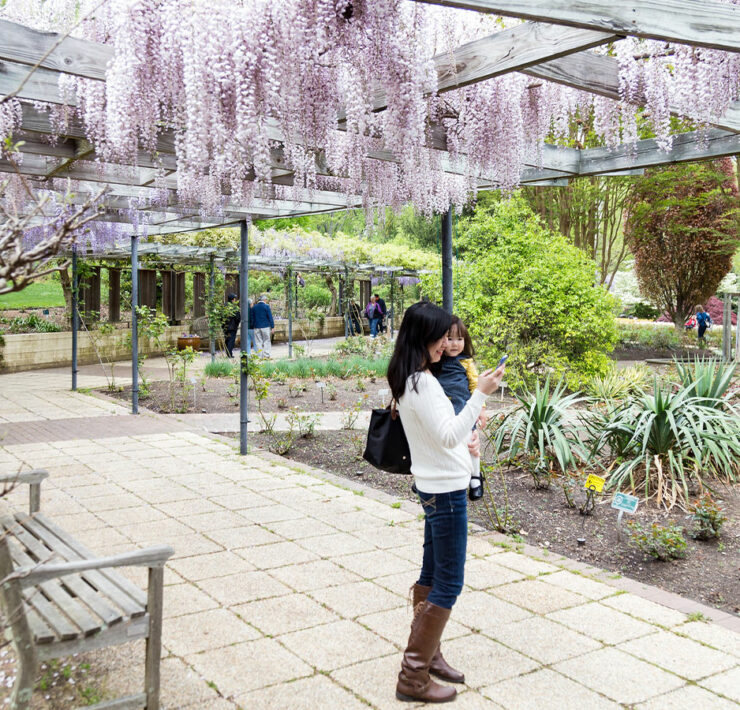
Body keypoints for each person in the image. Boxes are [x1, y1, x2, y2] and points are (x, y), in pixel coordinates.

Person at [387, 301, 504, 703]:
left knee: (432, 574)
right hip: (447, 490)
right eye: (439, 336)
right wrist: (480, 396)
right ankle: (413, 677)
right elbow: (449, 435)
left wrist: (470, 420)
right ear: (423, 337)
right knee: (449, 582)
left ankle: (430, 657)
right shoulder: (424, 383)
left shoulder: (410, 378)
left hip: (433, 485)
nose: (446, 343)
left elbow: (446, 433)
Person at [434, 316, 485, 501]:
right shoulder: (435, 362)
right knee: (439, 442)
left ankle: (475, 477)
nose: (455, 344)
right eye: (450, 339)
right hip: (442, 409)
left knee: (471, 443)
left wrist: (481, 409)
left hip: (464, 408)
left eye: (460, 339)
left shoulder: (466, 363)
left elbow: (477, 386)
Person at [252, 294, 275, 358]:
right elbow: (270, 317)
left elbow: (252, 318)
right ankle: (266, 355)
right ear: (264, 300)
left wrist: (253, 326)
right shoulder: (266, 307)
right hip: (265, 327)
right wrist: (272, 327)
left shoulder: (254, 307)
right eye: (266, 300)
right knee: (266, 341)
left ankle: (259, 356)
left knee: (258, 342)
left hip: (257, 327)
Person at [223, 293, 240, 359]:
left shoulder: (224, 306)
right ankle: (229, 354)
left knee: (227, 339)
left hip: (225, 327)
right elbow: (238, 318)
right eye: (235, 299)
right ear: (233, 300)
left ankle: (227, 352)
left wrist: (223, 325)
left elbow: (221, 317)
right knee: (231, 340)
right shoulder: (234, 307)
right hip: (233, 327)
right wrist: (236, 324)